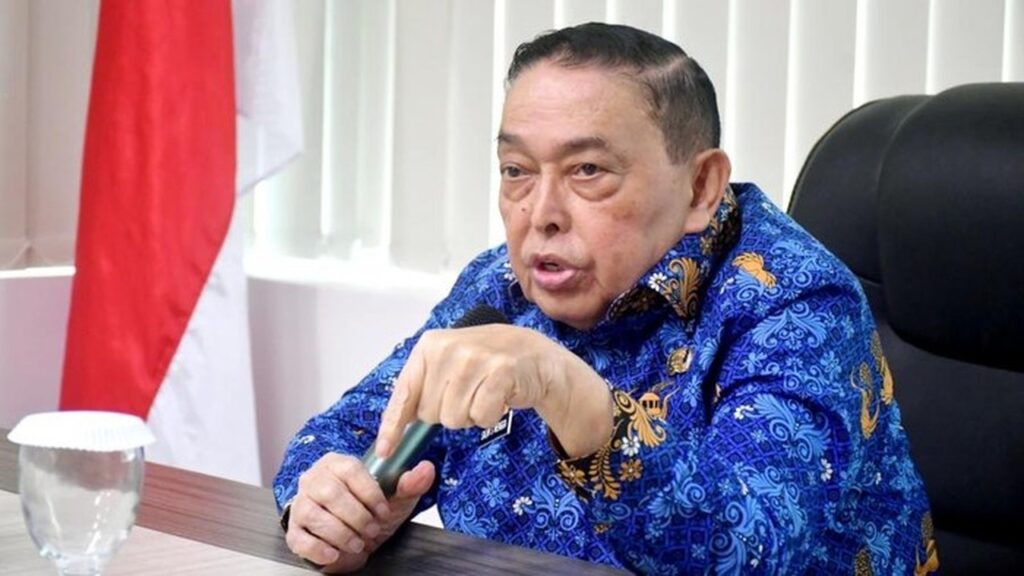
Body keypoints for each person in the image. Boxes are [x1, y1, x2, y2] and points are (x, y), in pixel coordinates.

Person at [274, 23, 937, 575]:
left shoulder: (795, 303)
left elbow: (746, 551)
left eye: (587, 171)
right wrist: (334, 501)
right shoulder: (499, 287)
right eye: (516, 171)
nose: (540, 214)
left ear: (701, 187)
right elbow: (343, 435)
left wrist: (571, 395)